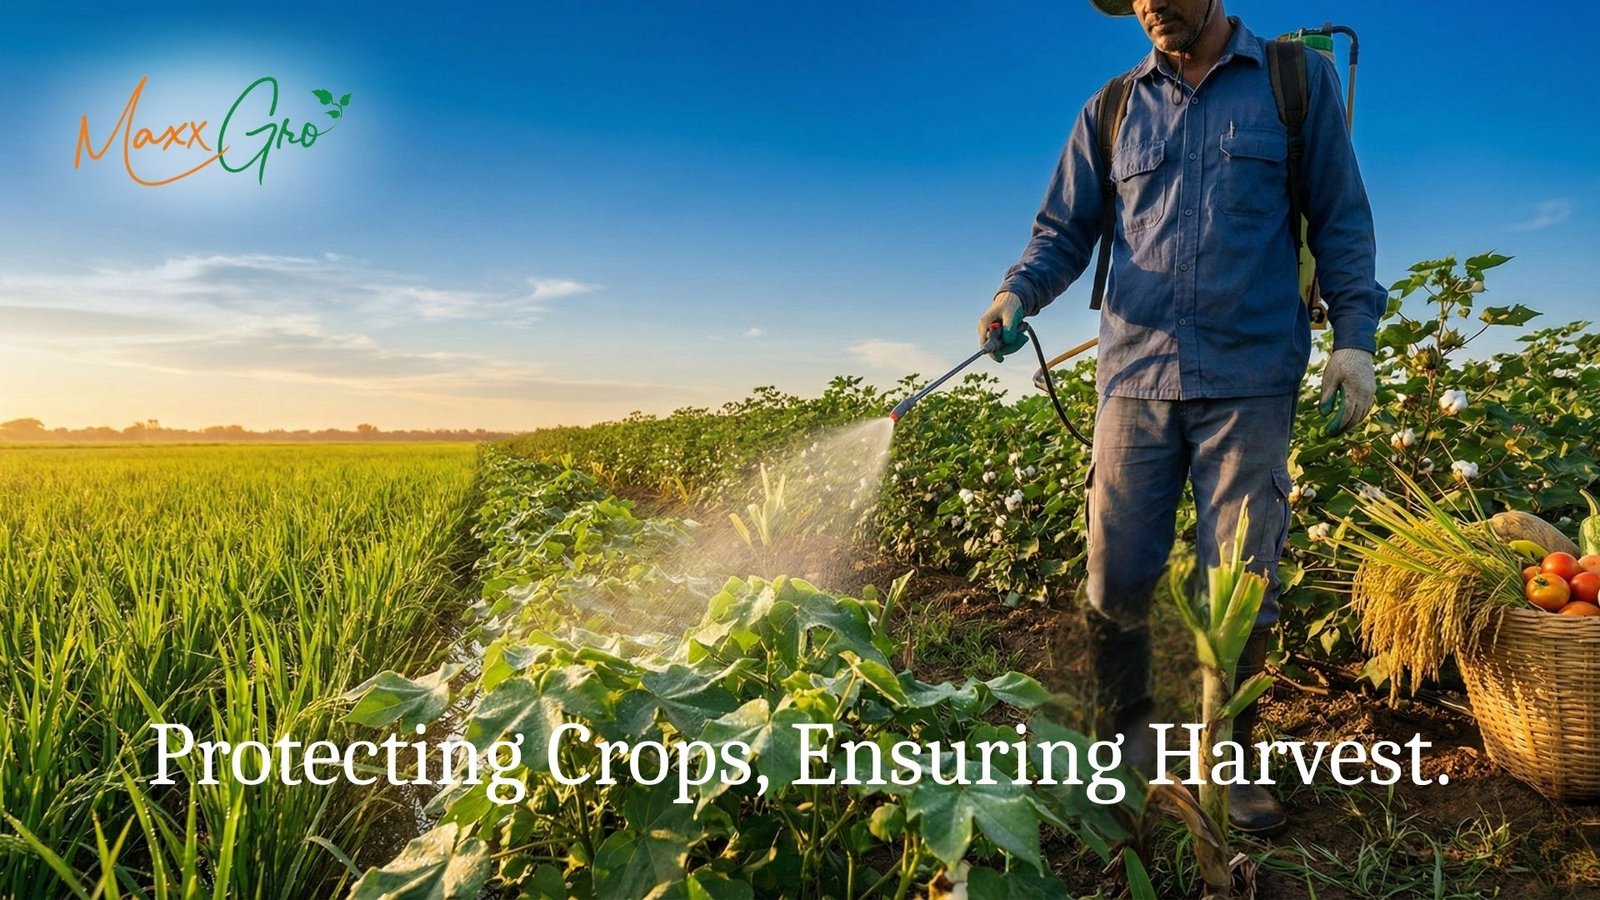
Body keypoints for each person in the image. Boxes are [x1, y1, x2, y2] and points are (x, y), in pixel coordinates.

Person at [977, 0, 1383, 837]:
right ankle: (1125, 750)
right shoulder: (1111, 108)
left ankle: (1224, 761)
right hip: (1133, 377)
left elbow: (1341, 218)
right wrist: (1017, 293)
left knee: (1238, 583)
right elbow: (1062, 231)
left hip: (1250, 376)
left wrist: (1354, 342)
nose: (1150, 3)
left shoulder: (1294, 83)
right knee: (1116, 576)